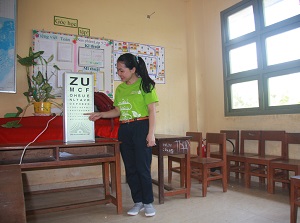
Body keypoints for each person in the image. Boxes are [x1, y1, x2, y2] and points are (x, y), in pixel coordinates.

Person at [86, 53, 159, 217]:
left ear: (133, 69)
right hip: (124, 129)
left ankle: (148, 202)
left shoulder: (146, 85)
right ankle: (137, 201)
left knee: (143, 168)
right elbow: (118, 111)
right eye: (118, 70)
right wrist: (101, 115)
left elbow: (152, 110)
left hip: (141, 126)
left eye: (122, 70)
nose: (119, 73)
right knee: (131, 168)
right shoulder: (120, 89)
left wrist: (151, 134)